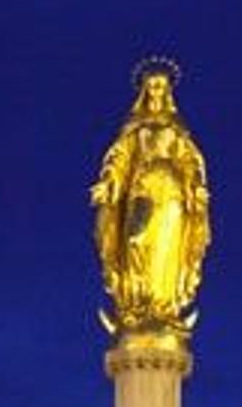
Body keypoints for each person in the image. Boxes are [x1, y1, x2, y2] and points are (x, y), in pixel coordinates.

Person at [90, 61, 211, 333]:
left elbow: (190, 161)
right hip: (142, 188)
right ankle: (135, 305)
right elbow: (120, 159)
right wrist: (108, 182)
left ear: (167, 90)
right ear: (145, 90)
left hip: (171, 193)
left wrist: (197, 185)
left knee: (166, 248)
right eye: (152, 85)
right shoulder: (135, 126)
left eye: (161, 85)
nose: (156, 90)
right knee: (135, 240)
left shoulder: (176, 127)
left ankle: (162, 307)